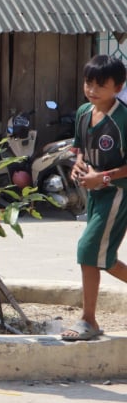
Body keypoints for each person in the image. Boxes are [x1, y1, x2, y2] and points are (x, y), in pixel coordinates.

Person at [62, 55, 127, 341]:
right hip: (95, 195)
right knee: (103, 256)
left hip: (117, 193)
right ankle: (88, 319)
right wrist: (78, 164)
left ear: (118, 87)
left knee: (88, 251)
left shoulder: (123, 118)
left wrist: (102, 178)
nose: (92, 89)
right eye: (89, 82)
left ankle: (88, 320)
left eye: (101, 84)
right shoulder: (84, 112)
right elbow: (80, 149)